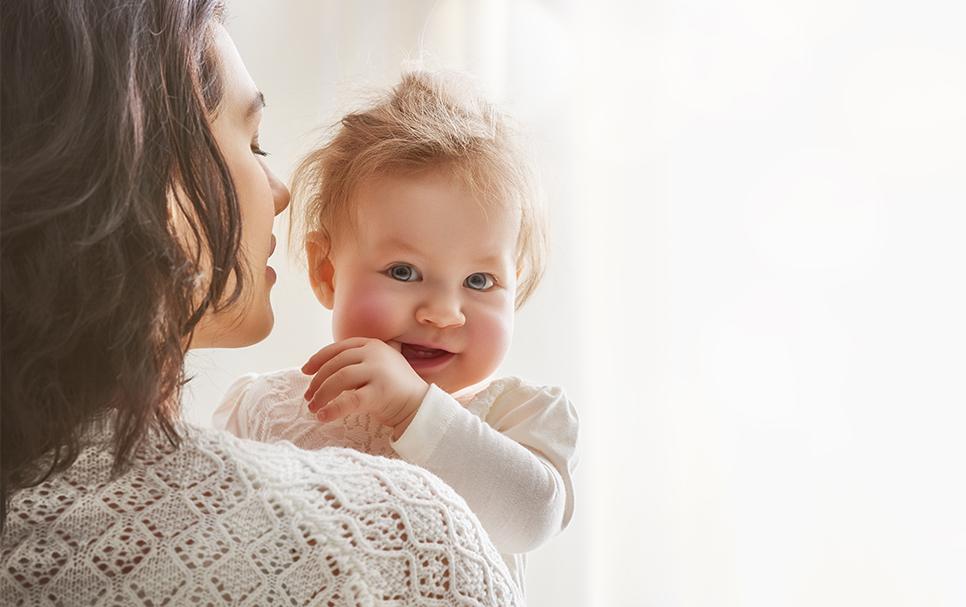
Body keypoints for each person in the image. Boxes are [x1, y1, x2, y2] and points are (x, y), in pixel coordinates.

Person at [0, 2, 521, 605]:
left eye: (480, 280)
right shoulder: (399, 542)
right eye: (254, 143)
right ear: (145, 177)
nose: (279, 193)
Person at [213, 71, 580, 598]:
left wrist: (414, 410)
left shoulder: (517, 415)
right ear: (326, 272)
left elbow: (532, 518)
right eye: (404, 272)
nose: (443, 312)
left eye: (479, 281)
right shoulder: (265, 408)